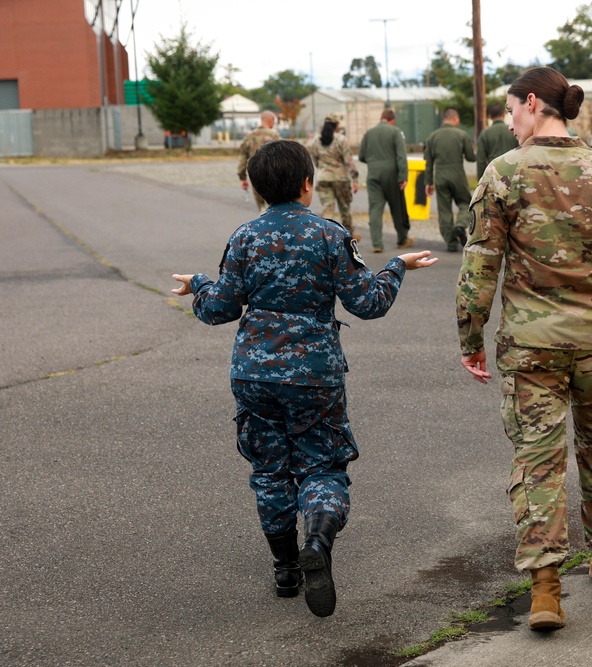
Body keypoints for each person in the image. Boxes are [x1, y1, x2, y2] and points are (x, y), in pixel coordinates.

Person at [170, 140, 437, 618]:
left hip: (253, 372)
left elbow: (219, 309)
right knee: (322, 464)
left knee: (269, 468)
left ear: (255, 186)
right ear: (307, 185)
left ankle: (287, 568)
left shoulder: (245, 237)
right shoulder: (329, 235)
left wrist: (198, 283)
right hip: (315, 375)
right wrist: (397, 266)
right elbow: (368, 303)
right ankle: (317, 535)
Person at [455, 67, 592, 633]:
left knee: (538, 460)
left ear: (532, 104)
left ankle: (546, 588)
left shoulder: (502, 175)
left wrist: (469, 337)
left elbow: (480, 266)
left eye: (509, 110)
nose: (507, 121)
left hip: (531, 348)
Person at [359, 109, 412, 253]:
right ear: (392, 120)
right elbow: (401, 156)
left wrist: (373, 162)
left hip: (373, 174)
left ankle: (377, 243)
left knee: (375, 208)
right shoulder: (395, 132)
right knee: (397, 207)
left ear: (381, 118)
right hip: (391, 174)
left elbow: (361, 156)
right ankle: (402, 239)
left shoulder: (369, 133)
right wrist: (403, 176)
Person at [424, 107, 476, 252]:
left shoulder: (432, 137)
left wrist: (428, 182)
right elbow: (471, 157)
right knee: (466, 202)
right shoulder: (461, 134)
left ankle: (451, 243)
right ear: (454, 118)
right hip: (457, 174)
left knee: (444, 209)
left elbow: (428, 162)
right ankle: (460, 225)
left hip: (440, 176)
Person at [308, 114, 361, 240]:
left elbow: (314, 160)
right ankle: (349, 237)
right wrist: (355, 179)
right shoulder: (341, 140)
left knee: (328, 209)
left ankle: (328, 238)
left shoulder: (316, 140)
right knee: (345, 208)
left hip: (323, 178)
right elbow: (349, 161)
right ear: (337, 125)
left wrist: (323, 169)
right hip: (340, 178)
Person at [237, 111, 281, 213]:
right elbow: (281, 156)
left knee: (261, 205)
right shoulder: (274, 135)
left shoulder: (249, 136)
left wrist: (242, 178)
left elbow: (242, 158)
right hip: (272, 175)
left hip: (255, 175)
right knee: (273, 205)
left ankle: (263, 225)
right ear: (270, 120)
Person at [477, 102, 519, 179]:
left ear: (489, 116)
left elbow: (481, 160)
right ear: (503, 114)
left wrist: (481, 180)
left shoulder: (485, 133)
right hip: (512, 173)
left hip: (493, 175)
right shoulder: (514, 131)